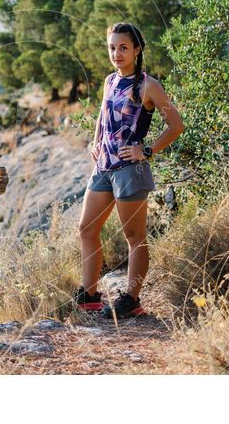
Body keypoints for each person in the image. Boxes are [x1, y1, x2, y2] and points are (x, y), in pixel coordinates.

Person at [73, 22, 185, 319]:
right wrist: (95, 143)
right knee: (86, 229)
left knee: (134, 237)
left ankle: (131, 299)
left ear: (136, 50)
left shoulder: (149, 85)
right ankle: (90, 294)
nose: (117, 53)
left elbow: (176, 126)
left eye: (123, 47)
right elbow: (101, 117)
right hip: (103, 167)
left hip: (130, 170)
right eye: (112, 47)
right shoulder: (110, 81)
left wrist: (145, 150)